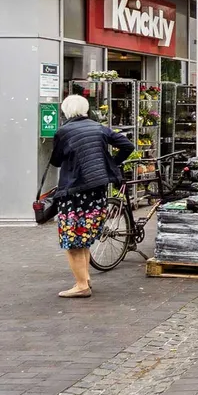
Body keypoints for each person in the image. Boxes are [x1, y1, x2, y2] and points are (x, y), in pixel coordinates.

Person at [49, 93, 135, 297]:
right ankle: (85, 278)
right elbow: (127, 145)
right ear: (86, 109)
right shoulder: (99, 128)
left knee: (71, 241)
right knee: (84, 238)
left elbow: (56, 161)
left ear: (66, 111)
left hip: (75, 191)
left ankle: (81, 286)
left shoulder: (64, 132)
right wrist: (112, 163)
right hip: (97, 189)